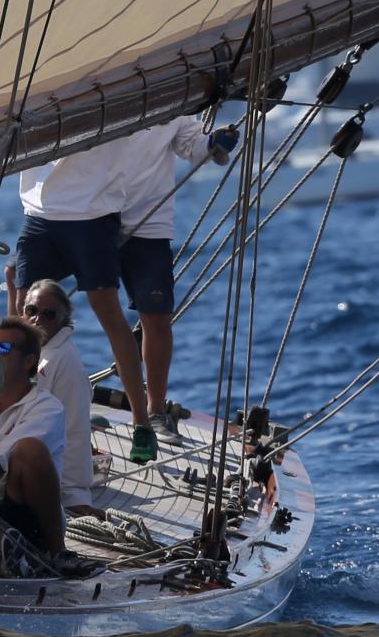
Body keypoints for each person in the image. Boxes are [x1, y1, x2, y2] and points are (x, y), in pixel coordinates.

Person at [15, 116, 233, 465]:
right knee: (24, 307)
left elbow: (192, 143)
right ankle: (32, 399)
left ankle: (151, 415)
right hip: (82, 209)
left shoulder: (178, 100)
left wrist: (214, 144)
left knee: (153, 315)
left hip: (136, 214)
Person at [0, 317, 93, 578]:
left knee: (30, 451)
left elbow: (10, 451)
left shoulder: (47, 408)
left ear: (29, 361)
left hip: (22, 506)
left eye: (3, 350)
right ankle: (7, 564)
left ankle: (56, 553)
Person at [7, 268, 98, 516]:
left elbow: (75, 430)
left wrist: (74, 495)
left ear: (63, 320)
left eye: (48, 314)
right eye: (32, 311)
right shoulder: (23, 351)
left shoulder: (66, 364)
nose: (38, 319)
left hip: (37, 474)